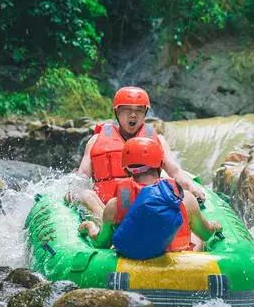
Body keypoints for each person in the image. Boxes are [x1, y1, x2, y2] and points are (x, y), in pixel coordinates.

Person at [68, 86, 205, 220]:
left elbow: (175, 171)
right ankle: (106, 229)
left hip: (147, 206)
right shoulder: (96, 141)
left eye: (139, 110)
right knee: (85, 194)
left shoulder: (157, 141)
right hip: (106, 209)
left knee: (184, 196)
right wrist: (74, 190)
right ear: (117, 111)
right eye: (127, 109)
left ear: (145, 113)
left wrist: (192, 187)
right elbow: (82, 177)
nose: (133, 115)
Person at [78, 137, 221, 258]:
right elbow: (207, 234)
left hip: (131, 269)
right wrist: (216, 227)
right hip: (177, 265)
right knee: (196, 236)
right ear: (160, 165)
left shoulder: (114, 205)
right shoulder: (185, 199)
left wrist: (90, 228)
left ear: (126, 168)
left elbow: (101, 244)